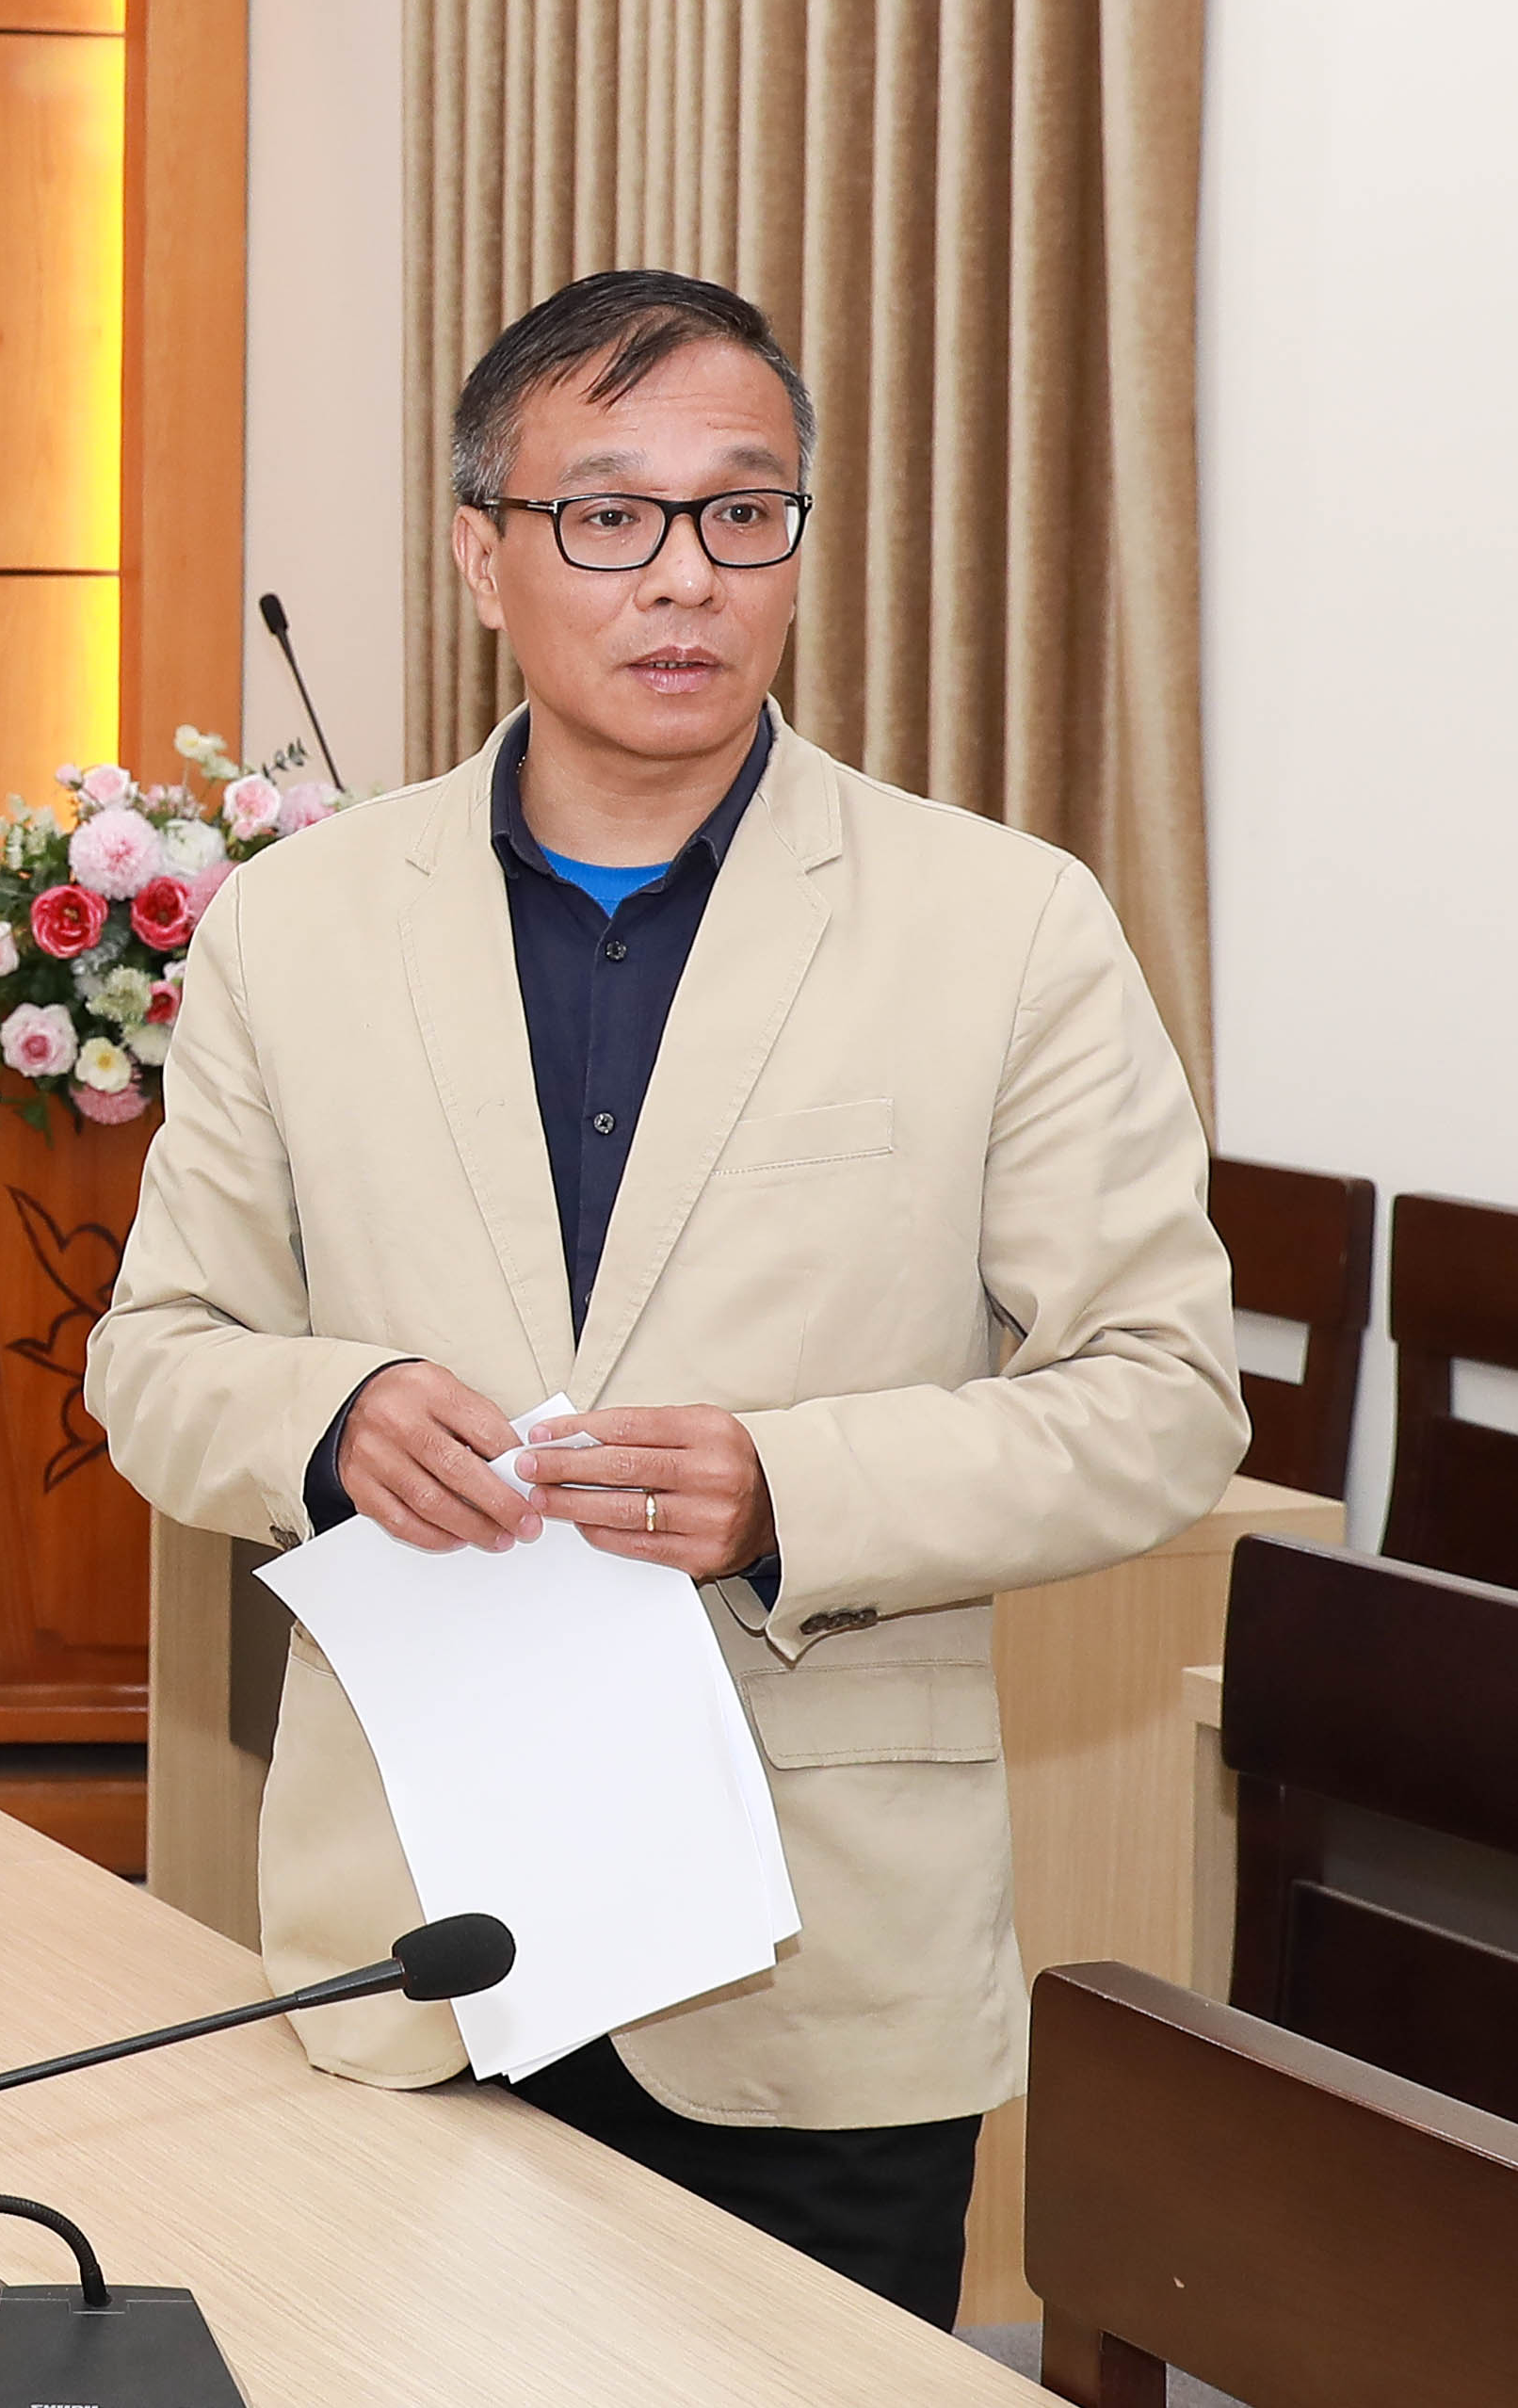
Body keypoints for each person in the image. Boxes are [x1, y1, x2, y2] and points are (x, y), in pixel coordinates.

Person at [88, 269, 1242, 2325]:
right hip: (418, 1937)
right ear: (482, 553)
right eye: (607, 515)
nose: (684, 574)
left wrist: (789, 1486)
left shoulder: (1002, 923)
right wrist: (328, 1422)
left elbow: (1161, 1394)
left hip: (815, 1973)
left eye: (742, 510)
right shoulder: (299, 927)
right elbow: (155, 1358)